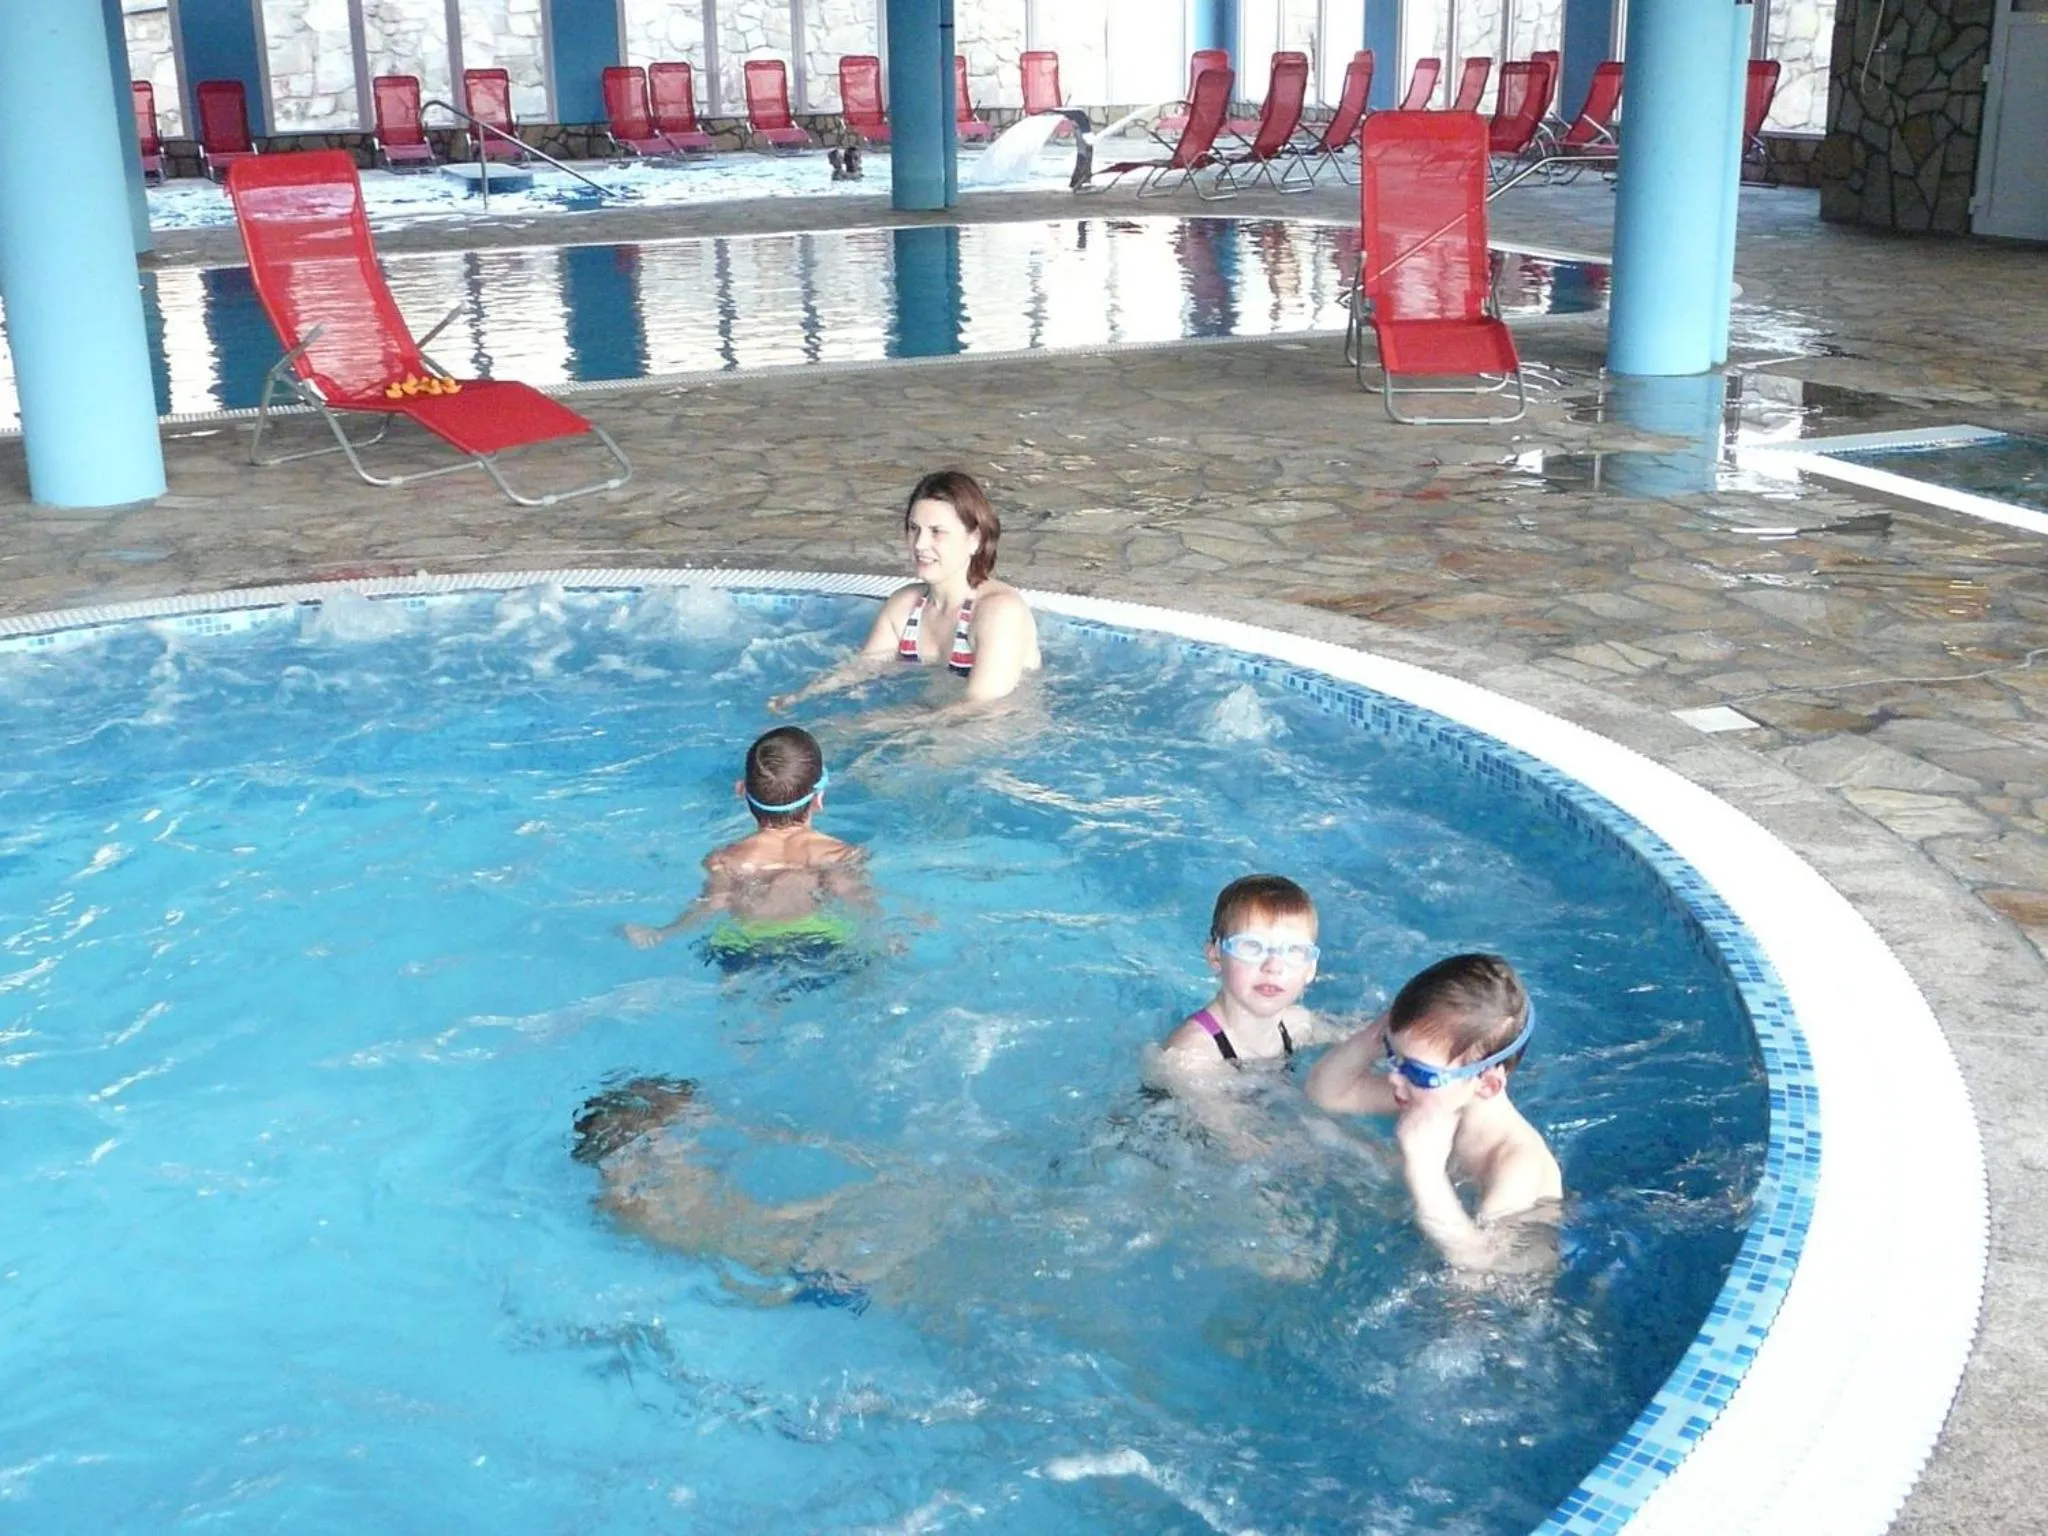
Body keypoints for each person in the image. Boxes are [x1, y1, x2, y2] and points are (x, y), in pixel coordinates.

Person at [1305, 953, 1562, 1274]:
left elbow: (1484, 1267)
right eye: (1392, 1055)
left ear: (1487, 1084)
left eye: (1418, 1071)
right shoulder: (1430, 1096)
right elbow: (1326, 1094)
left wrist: (1424, 1172)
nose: (1395, 1076)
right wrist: (1377, 1035)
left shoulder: (1516, 1162)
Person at [769, 470, 1041, 714]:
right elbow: (862, 668)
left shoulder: (1000, 612)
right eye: (914, 529)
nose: (920, 544)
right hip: (934, 720)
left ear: (975, 539)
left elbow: (982, 708)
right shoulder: (906, 606)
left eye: (937, 532)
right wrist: (799, 697)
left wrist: (880, 726)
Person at [621, 725, 871, 970]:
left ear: (741, 790)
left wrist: (663, 932)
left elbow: (712, 904)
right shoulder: (839, 855)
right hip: (821, 942)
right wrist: (890, 938)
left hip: (746, 947)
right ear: (819, 798)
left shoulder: (724, 861)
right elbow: (857, 901)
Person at [1147, 875, 1346, 1159]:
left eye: (1294, 951)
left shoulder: (1296, 1024)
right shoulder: (1192, 1054)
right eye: (1251, 947)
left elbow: (1369, 1037)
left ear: (1310, 968)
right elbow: (1240, 1145)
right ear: (1216, 957)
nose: (1273, 966)